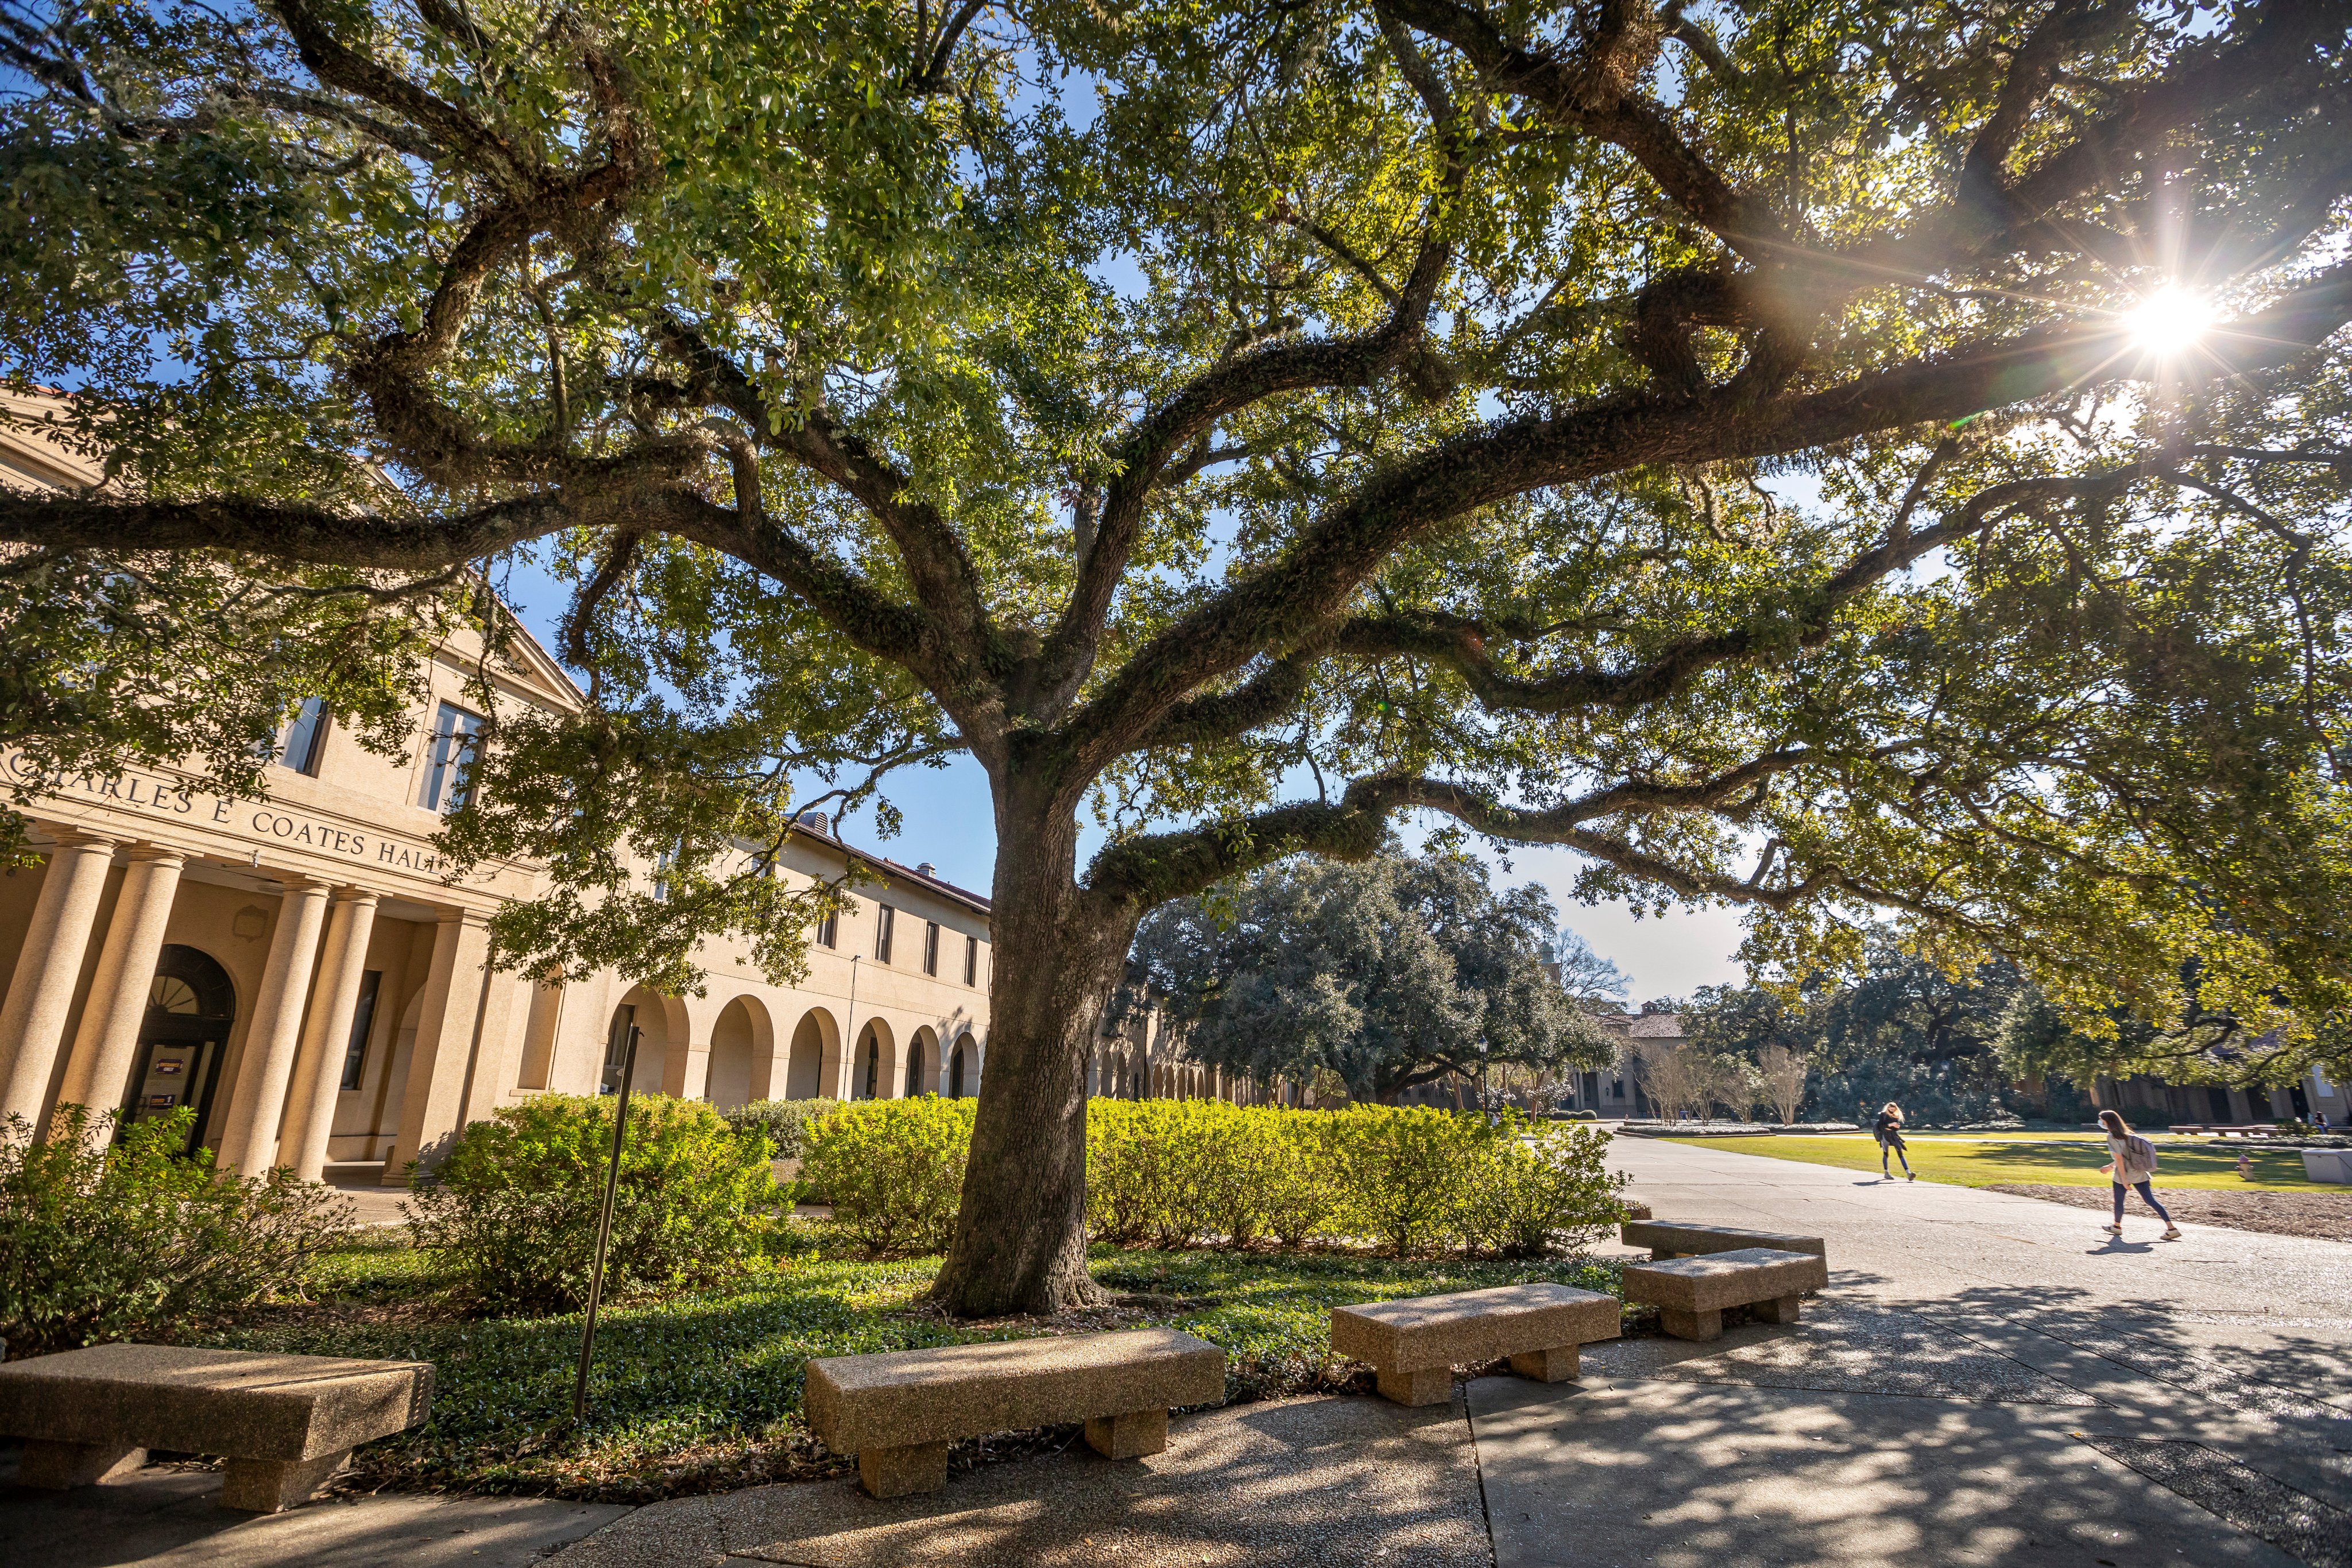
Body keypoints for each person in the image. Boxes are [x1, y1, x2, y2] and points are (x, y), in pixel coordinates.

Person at [2099, 1109, 2182, 1240]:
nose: (2101, 1123)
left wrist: (2125, 1180)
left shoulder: (2111, 1137)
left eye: (2102, 1121)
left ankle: (2117, 1227)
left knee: (2119, 1201)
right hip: (2139, 1172)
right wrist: (2110, 1166)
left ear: (2108, 1122)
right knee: (2150, 1200)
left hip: (2123, 1174)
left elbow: (2120, 1159)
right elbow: (2125, 1156)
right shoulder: (2128, 1134)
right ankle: (2171, 1228)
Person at [1873, 1102, 1914, 1180]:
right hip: (1885, 1135)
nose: (1892, 1111)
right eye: (1891, 1109)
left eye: (1894, 1109)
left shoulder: (1895, 1116)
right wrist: (1891, 1125)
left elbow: (1895, 1129)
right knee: (1886, 1154)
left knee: (1900, 1152)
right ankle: (1886, 1173)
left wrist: (1896, 1126)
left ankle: (1908, 1173)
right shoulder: (1883, 1115)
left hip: (1893, 1135)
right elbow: (1882, 1127)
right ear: (1888, 1108)